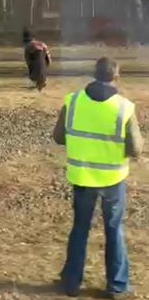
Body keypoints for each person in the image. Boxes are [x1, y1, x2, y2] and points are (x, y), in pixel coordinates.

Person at [52, 57, 144, 298]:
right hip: (112, 178)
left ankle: (71, 282)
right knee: (113, 229)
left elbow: (59, 136)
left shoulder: (73, 102)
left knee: (79, 229)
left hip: (82, 176)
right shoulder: (124, 107)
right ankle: (117, 285)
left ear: (94, 74)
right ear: (116, 76)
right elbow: (135, 148)